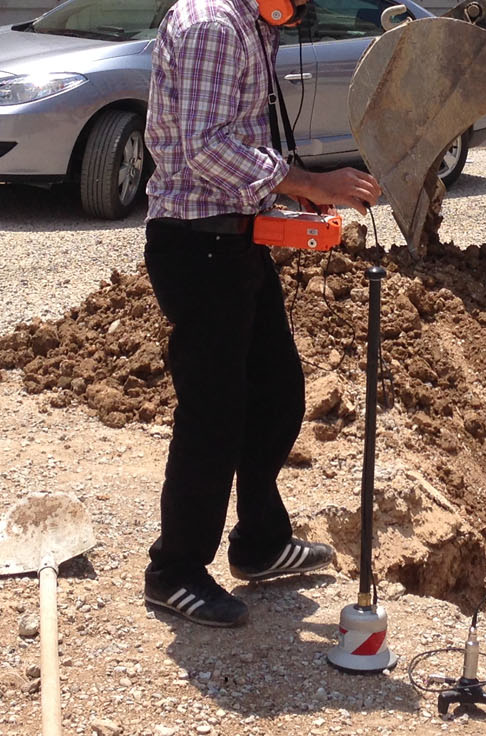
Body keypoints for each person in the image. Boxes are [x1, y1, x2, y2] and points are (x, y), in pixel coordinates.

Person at [140, 0, 382, 627]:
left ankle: (260, 543)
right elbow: (204, 149)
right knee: (212, 414)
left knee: (277, 394)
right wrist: (310, 183)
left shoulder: (252, 25)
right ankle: (174, 571)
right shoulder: (212, 27)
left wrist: (286, 199)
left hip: (236, 239)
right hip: (197, 245)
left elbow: (240, 139)